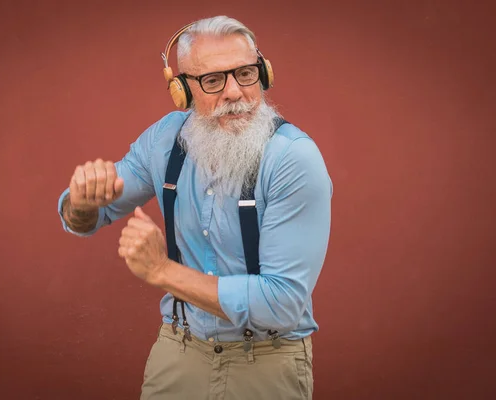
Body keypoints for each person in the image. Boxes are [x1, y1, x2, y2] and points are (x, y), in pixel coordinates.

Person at [57, 15, 332, 400]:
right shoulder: (165, 140)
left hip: (266, 363)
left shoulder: (293, 158)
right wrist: (82, 201)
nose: (235, 92)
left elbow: (281, 305)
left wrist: (161, 271)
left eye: (246, 73)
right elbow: (88, 217)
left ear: (264, 73)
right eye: (213, 80)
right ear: (181, 91)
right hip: (178, 353)